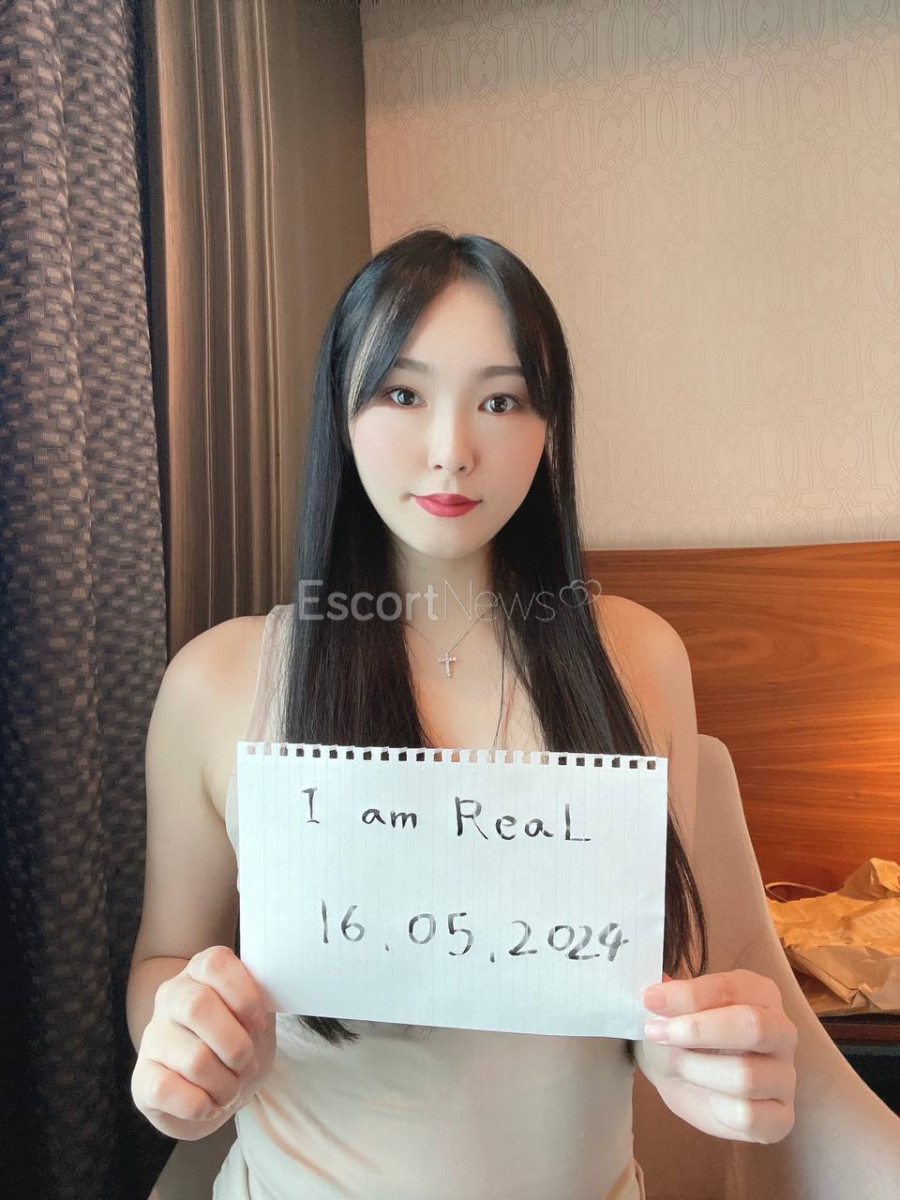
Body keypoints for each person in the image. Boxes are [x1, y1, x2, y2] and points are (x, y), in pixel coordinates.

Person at [127, 229, 797, 1199]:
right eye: (403, 394)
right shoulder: (217, 680)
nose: (452, 452)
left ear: (549, 425)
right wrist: (179, 1038)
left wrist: (712, 1048)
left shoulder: (640, 659)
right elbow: (164, 957)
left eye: (501, 400)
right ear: (341, 409)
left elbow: (664, 982)